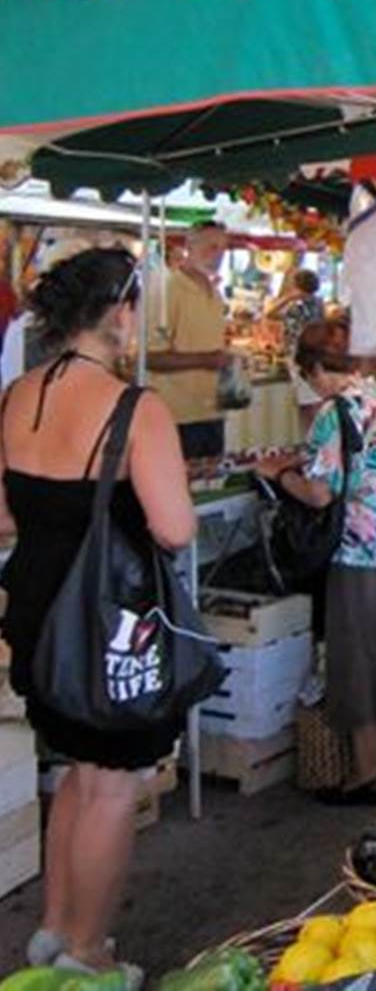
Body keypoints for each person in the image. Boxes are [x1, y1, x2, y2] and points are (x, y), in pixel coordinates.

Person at [0, 248, 195, 986]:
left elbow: (4, 517)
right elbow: (174, 528)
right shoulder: (134, 408)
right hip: (108, 624)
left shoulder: (19, 394)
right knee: (112, 782)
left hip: (35, 610)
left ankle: (54, 929)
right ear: (119, 313)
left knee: (75, 773)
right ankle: (88, 953)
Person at [256, 320, 376, 805]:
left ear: (314, 369)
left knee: (360, 660)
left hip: (360, 550)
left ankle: (368, 774)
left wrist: (279, 473)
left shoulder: (334, 411)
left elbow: (319, 493)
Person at [147, 220, 229, 459]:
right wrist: (207, 359)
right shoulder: (168, 289)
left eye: (223, 248)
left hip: (212, 410)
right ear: (189, 247)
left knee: (213, 479)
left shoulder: (214, 291)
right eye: (211, 246)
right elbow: (149, 357)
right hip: (178, 415)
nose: (218, 254)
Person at [267, 268, 324, 433]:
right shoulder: (318, 303)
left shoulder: (297, 307)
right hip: (315, 356)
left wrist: (289, 298)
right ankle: (317, 439)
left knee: (306, 403)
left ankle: (311, 439)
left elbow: (270, 313)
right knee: (315, 400)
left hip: (300, 357)